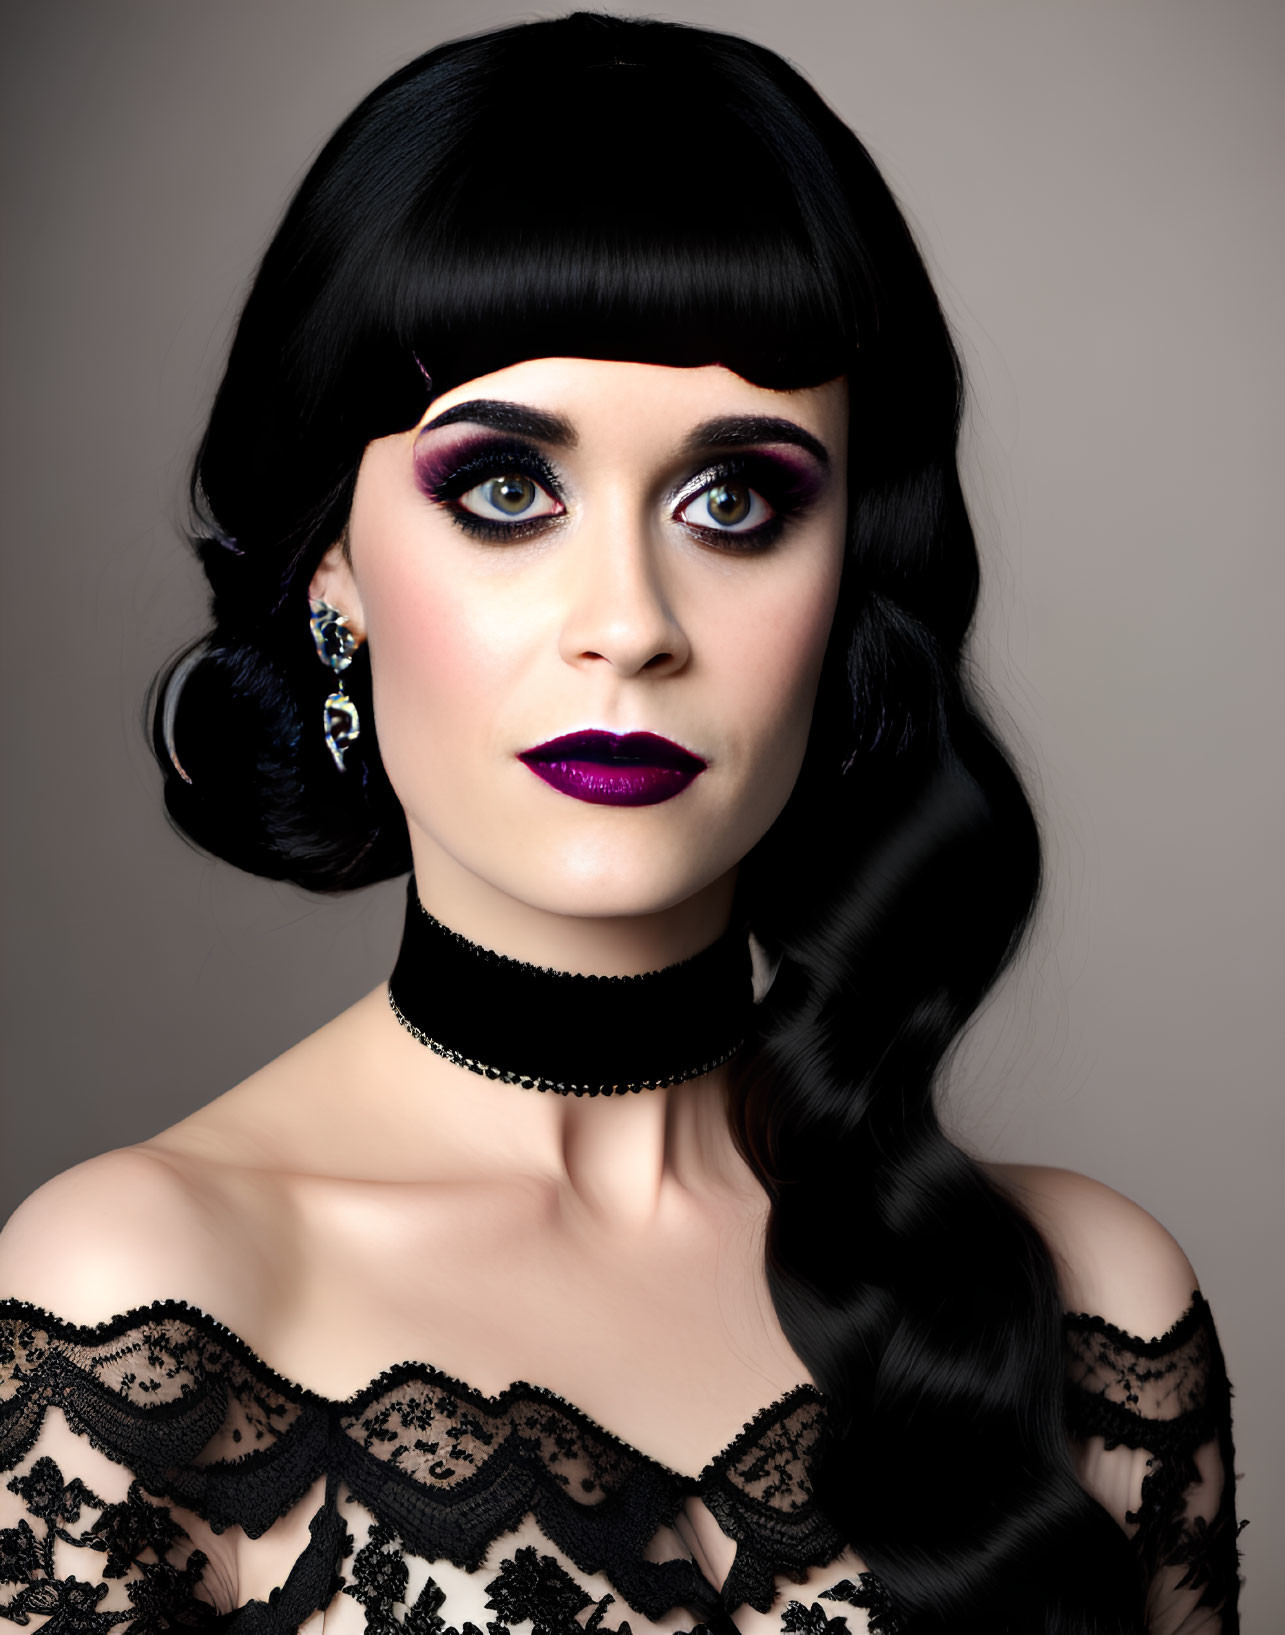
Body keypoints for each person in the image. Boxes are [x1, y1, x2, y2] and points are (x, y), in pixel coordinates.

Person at [0, 11, 1245, 1634]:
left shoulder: (1092, 1307)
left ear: (846, 570)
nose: (630, 624)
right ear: (333, 568)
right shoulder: (143, 1301)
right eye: (507, 491)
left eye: (735, 503)